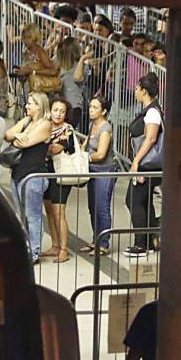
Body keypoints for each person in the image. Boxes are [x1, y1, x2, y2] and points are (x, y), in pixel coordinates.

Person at [5, 92, 53, 263]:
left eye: (31, 103)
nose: (27, 106)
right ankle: (24, 247)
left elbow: (24, 143)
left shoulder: (46, 124)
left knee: (32, 215)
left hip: (34, 175)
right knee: (20, 215)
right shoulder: (26, 121)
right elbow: (8, 134)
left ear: (40, 106)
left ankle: (34, 251)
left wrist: (17, 138)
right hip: (17, 173)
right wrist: (17, 136)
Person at [125, 73, 163, 257]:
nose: (135, 91)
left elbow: (151, 138)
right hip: (146, 164)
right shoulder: (148, 111)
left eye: (137, 88)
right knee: (144, 202)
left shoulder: (153, 112)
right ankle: (149, 241)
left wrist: (136, 161)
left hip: (148, 166)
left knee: (133, 200)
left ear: (144, 91)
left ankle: (141, 243)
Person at [43, 98, 76, 264]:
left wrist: (41, 142)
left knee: (59, 212)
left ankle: (64, 249)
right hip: (46, 171)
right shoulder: (45, 125)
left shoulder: (67, 130)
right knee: (49, 210)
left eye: (62, 111)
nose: (58, 114)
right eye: (55, 110)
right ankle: (55, 245)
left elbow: (55, 149)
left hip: (61, 174)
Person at [82, 96, 116, 254]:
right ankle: (96, 238)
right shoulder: (91, 125)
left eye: (95, 107)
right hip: (92, 170)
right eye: (90, 107)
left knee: (102, 207)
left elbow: (101, 154)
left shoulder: (105, 128)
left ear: (103, 111)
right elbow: (86, 144)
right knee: (92, 206)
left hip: (104, 170)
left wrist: (85, 157)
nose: (91, 110)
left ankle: (104, 243)